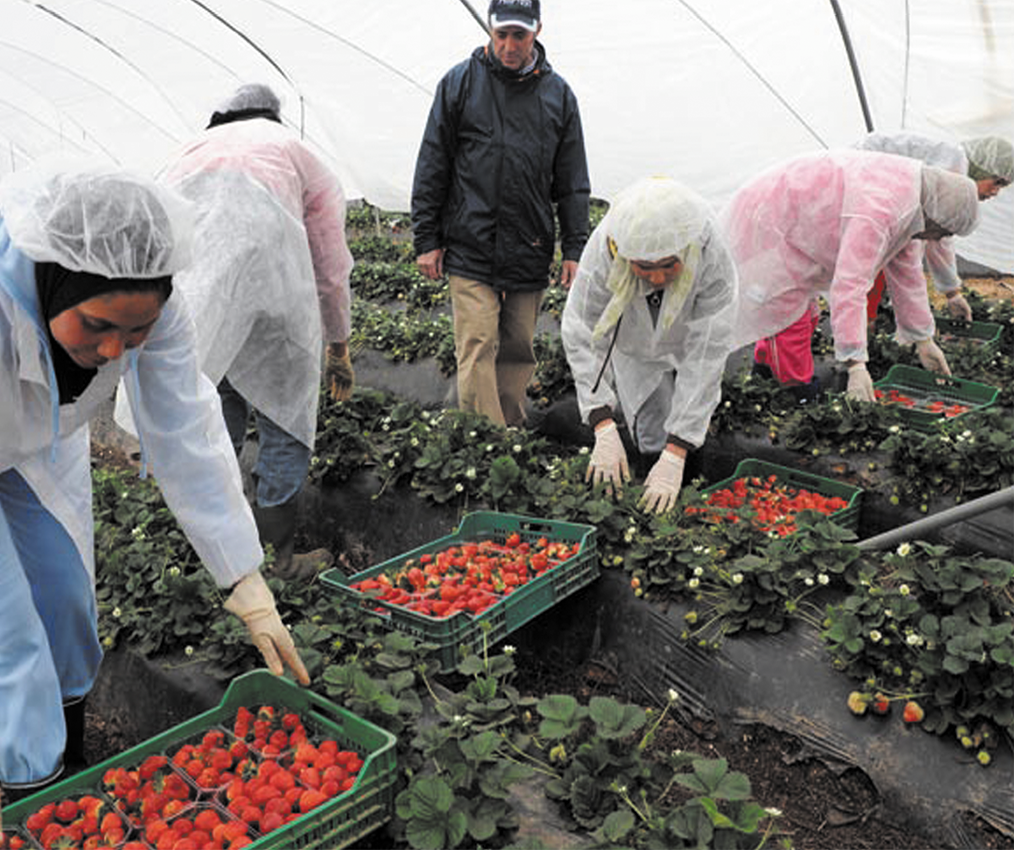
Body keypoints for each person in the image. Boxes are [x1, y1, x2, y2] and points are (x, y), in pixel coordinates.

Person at [0, 158, 310, 850]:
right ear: (56, 282)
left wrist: (244, 576)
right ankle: (29, 799)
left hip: (36, 425)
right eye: (96, 326)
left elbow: (185, 426)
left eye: (134, 333)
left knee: (64, 601)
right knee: (5, 639)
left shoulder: (147, 300)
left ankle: (68, 766)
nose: (114, 349)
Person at [114, 83, 354, 581]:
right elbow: (330, 265)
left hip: (200, 296)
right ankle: (277, 557)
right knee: (285, 417)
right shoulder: (297, 153)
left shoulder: (184, 153)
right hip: (276, 294)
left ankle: (220, 551)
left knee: (215, 408)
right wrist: (338, 343)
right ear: (273, 116)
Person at [410, 0, 590, 428]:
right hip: (470, 240)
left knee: (517, 348)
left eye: (519, 36)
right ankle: (486, 444)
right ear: (490, 30)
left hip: (529, 242)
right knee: (477, 342)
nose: (509, 45)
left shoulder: (558, 96)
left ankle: (509, 429)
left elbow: (572, 179)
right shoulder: (460, 84)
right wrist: (427, 239)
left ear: (537, 32)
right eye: (501, 34)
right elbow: (433, 164)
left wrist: (575, 247)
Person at [721, 149, 980, 403]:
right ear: (938, 217)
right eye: (944, 233)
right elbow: (849, 286)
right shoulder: (880, 212)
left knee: (804, 314)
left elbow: (908, 275)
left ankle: (765, 370)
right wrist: (856, 363)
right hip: (772, 219)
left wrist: (922, 338)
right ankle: (795, 391)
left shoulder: (913, 208)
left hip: (801, 222)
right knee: (787, 312)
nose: (939, 240)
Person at [562, 177, 737, 514]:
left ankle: (685, 492)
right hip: (634, 341)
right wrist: (601, 420)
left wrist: (679, 450)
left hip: (690, 334)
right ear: (623, 253)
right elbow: (582, 329)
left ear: (686, 250)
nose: (657, 278)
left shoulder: (710, 249)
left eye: (668, 266)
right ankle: (653, 501)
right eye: (644, 267)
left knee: (684, 430)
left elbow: (707, 354)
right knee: (650, 417)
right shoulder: (605, 248)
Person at [853, 132, 1014, 323]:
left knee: (890, 259)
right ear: (981, 168)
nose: (995, 192)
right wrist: (951, 293)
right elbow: (938, 237)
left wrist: (952, 294)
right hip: (860, 178)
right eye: (997, 182)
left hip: (878, 195)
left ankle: (863, 323)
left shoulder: (954, 180)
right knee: (863, 267)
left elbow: (938, 237)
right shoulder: (951, 169)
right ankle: (856, 327)